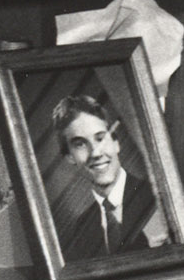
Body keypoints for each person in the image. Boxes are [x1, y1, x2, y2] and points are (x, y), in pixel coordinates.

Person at [51, 88, 161, 259]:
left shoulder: (157, 197)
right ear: (69, 157)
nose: (95, 152)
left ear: (116, 142)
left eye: (100, 138)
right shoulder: (81, 228)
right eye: (80, 144)